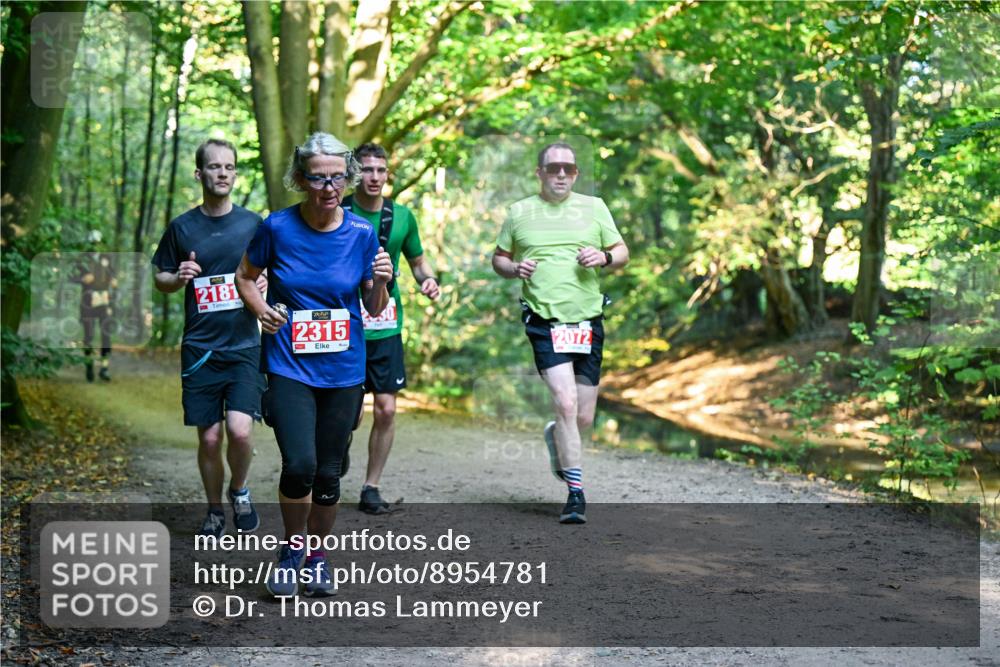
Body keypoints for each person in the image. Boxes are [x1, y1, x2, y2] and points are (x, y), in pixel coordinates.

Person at [235, 132, 392, 597]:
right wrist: (260, 311)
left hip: (344, 368)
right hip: (289, 364)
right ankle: (290, 550)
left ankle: (317, 558)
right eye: (317, 178)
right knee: (299, 464)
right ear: (300, 180)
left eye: (337, 177)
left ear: (348, 178)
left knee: (328, 472)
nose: (329, 187)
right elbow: (246, 277)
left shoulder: (362, 234)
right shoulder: (276, 227)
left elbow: (375, 306)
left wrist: (381, 281)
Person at [491, 142, 629, 524]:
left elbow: (622, 252)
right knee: (566, 403)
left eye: (568, 168)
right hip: (544, 320)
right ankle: (575, 494)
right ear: (540, 173)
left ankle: (557, 436)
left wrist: (603, 257)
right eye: (553, 168)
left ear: (577, 173)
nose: (562, 174)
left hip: (588, 321)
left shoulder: (594, 208)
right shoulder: (520, 212)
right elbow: (498, 259)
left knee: (582, 417)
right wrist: (514, 267)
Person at [152, 138, 266, 538]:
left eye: (229, 167)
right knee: (211, 436)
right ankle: (215, 510)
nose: (223, 173)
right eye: (214, 167)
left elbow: (273, 271)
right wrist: (177, 276)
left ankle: (240, 490)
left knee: (239, 430)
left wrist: (265, 282)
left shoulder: (254, 225)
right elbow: (161, 276)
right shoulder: (182, 227)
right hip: (201, 349)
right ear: (199, 174)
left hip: (244, 346)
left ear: (235, 173)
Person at [341, 143, 440, 514]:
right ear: (355, 173)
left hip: (385, 324)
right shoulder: (338, 211)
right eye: (367, 170)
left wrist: (428, 281)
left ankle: (371, 486)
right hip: (345, 325)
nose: (375, 177)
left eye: (381, 171)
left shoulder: (402, 217)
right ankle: (340, 447)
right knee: (346, 411)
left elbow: (417, 261)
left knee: (385, 409)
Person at [71, 232, 116, 382]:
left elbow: (113, 276)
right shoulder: (82, 259)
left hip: (103, 300)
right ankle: (89, 366)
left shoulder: (106, 258)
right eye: (93, 243)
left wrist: (114, 281)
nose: (96, 245)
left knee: (106, 334)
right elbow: (70, 276)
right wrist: (82, 279)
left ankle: (104, 368)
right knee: (89, 336)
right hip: (88, 302)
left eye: (98, 242)